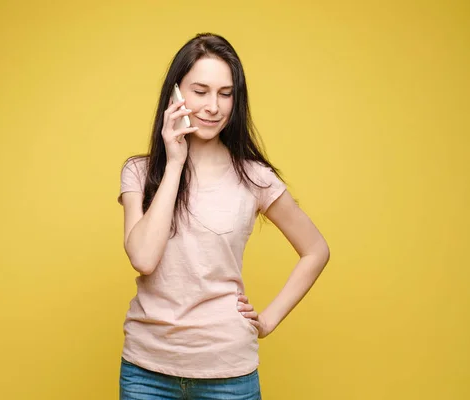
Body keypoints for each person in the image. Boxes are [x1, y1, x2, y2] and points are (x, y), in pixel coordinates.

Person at [117, 32, 330, 400]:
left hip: (228, 373)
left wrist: (268, 320)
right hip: (145, 372)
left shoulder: (254, 177)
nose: (213, 106)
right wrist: (175, 163)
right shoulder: (139, 171)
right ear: (176, 94)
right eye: (200, 91)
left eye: (225, 93)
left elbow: (316, 250)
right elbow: (144, 258)